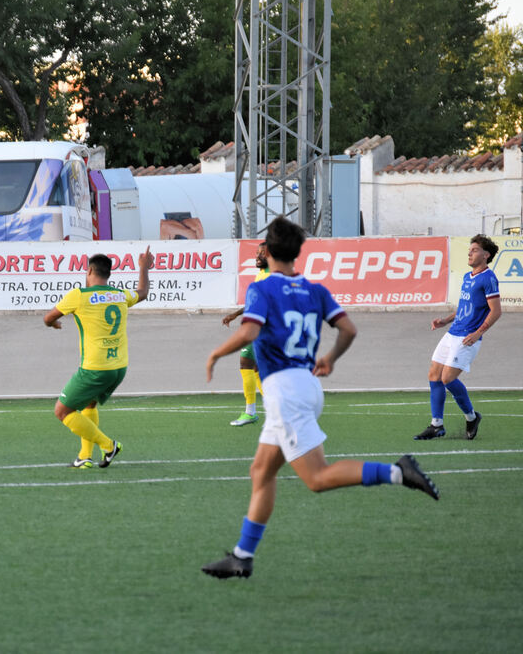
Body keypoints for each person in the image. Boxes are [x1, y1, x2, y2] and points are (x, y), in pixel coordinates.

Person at [201, 216, 439, 580]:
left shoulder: (261, 288)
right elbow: (348, 328)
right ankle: (241, 557)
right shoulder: (315, 290)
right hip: (306, 385)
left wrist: (217, 353)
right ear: (297, 253)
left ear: (266, 249)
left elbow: (250, 330)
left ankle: (398, 472)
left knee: (317, 478)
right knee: (261, 471)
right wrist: (330, 358)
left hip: (285, 392)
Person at [43, 247, 153, 469]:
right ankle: (84, 457)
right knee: (89, 404)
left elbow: (48, 317)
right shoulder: (120, 295)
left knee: (62, 411)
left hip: (95, 368)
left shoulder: (79, 295)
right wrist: (143, 267)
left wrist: (53, 323)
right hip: (119, 368)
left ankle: (109, 445)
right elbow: (143, 292)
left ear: (90, 270)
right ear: (108, 274)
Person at [415, 234, 501, 441]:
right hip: (452, 333)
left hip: (468, 337)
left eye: (475, 250)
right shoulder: (466, 277)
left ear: (486, 254)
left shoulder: (488, 278)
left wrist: (478, 333)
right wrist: (445, 320)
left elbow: (496, 311)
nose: (470, 253)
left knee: (447, 379)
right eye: (470, 249)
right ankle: (437, 425)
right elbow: (464, 307)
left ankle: (472, 417)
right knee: (434, 376)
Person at [221, 242, 270, 426]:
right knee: (251, 366)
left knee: (252, 366)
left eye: (262, 254)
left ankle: (262, 411)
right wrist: (235, 315)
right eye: (257, 253)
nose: (257, 257)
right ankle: (255, 412)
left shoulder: (268, 276)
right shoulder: (262, 274)